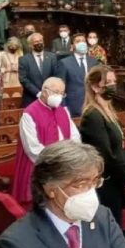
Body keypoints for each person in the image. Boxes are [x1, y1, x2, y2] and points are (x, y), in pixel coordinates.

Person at [11, 77, 81, 209]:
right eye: (56, 92)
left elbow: (74, 137)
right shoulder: (29, 114)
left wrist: (70, 157)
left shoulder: (63, 111)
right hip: (40, 168)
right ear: (44, 91)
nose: (59, 96)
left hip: (64, 166)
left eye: (62, 93)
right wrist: (56, 162)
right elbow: (33, 149)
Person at [80, 66, 125, 225]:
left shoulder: (108, 111)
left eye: (114, 82)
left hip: (115, 179)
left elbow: (120, 146)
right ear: (96, 87)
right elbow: (106, 154)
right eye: (107, 82)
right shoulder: (93, 116)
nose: (112, 86)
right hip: (106, 182)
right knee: (110, 224)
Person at [55, 32, 100, 117]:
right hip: (73, 108)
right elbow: (60, 88)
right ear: (72, 46)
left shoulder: (94, 61)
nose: (82, 43)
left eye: (83, 41)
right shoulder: (64, 63)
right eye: (78, 41)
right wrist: (64, 109)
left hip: (92, 105)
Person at [18, 32, 57, 108]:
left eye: (40, 41)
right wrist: (38, 93)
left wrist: (48, 92)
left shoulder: (52, 57)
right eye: (36, 42)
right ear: (30, 45)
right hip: (31, 98)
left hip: (50, 97)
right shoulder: (24, 59)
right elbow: (23, 79)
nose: (39, 43)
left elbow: (55, 75)